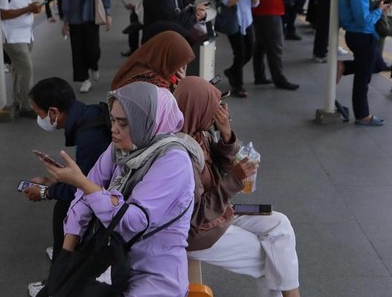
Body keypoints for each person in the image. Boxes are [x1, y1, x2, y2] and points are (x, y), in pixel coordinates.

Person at [38, 81, 200, 297]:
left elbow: (132, 222)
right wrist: (66, 258)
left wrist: (82, 182)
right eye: (112, 120)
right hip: (110, 259)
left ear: (144, 122)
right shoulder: (121, 147)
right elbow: (85, 197)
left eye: (123, 123)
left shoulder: (174, 160)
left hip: (152, 274)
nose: (113, 129)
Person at [175, 77, 302, 297]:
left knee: (279, 223)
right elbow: (196, 216)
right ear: (198, 108)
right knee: (271, 258)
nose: (219, 111)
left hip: (220, 212)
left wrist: (226, 133)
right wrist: (234, 179)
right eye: (213, 106)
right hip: (199, 232)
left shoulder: (199, 134)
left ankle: (293, 295)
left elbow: (222, 166)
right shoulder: (179, 155)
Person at [24, 77, 112, 297]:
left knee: (64, 209)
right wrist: (54, 181)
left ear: (53, 112)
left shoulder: (89, 136)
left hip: (105, 201)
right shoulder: (89, 116)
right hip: (104, 191)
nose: (39, 119)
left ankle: (57, 282)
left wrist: (45, 192)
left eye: (39, 114)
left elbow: (83, 188)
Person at [337, 0, 392, 126]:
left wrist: (376, 5)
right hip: (361, 35)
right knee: (363, 78)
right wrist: (379, 11)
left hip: (358, 35)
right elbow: (364, 21)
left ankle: (344, 66)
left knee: (377, 65)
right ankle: (362, 115)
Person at [0, 0, 44, 114]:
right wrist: (28, 9)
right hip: (12, 36)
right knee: (26, 69)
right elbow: (2, 13)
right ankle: (26, 105)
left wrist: (33, 7)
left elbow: (25, 3)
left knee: (18, 70)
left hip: (26, 34)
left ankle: (17, 100)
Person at [62, 0, 112, 93]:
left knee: (93, 50)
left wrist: (108, 15)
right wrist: (65, 22)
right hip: (75, 21)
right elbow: (66, 2)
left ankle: (94, 65)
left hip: (91, 19)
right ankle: (84, 79)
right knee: (78, 52)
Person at [250, 0, 299, 90]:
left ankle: (259, 75)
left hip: (258, 10)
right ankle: (279, 79)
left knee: (260, 45)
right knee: (276, 45)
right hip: (270, 11)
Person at [222, 0, 262, 97]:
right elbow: (228, 3)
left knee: (249, 52)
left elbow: (255, 4)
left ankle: (232, 71)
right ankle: (238, 85)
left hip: (248, 22)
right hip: (234, 23)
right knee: (239, 54)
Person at [111, 31, 195, 90]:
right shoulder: (152, 81)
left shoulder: (145, 61)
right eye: (178, 64)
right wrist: (181, 88)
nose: (179, 69)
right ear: (168, 58)